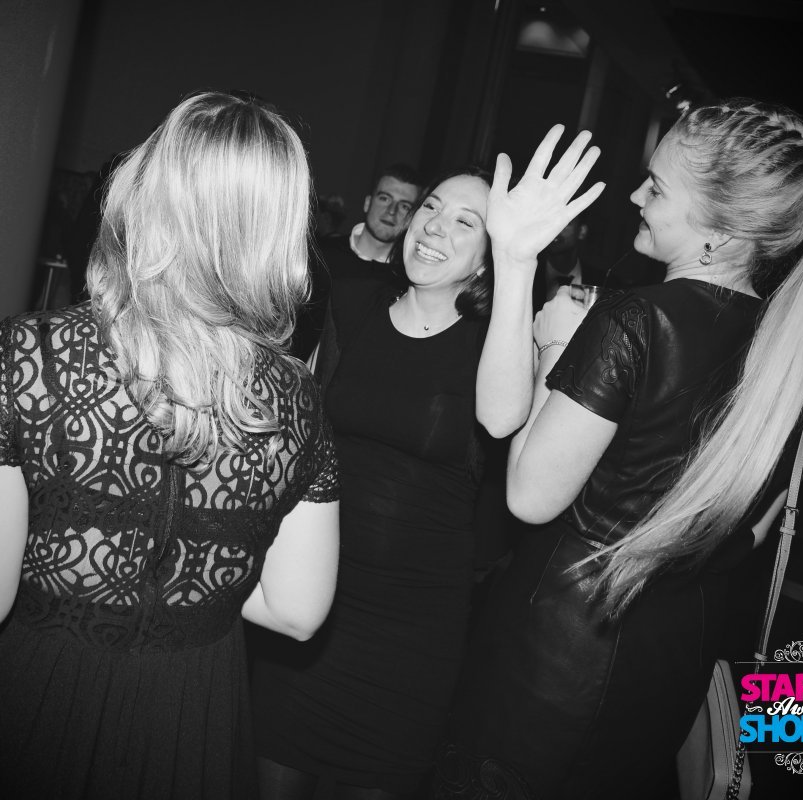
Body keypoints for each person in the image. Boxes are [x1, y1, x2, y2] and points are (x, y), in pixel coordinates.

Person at [0, 90, 341, 800]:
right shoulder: (300, 402)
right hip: (185, 725)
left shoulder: (28, 356)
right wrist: (191, 576)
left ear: (145, 192)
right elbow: (297, 612)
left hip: (18, 715)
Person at [434, 99, 803, 799]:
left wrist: (555, 347)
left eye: (656, 187)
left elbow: (530, 496)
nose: (635, 196)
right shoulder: (801, 365)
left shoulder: (638, 319)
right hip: (668, 667)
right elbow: (748, 537)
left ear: (721, 231)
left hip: (556, 662)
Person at [250, 153, 600, 798]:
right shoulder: (351, 303)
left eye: (466, 222)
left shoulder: (494, 341)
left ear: (486, 258)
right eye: (431, 207)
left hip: (412, 629)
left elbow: (502, 419)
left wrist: (519, 262)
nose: (435, 225)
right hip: (310, 595)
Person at [289, 164, 423, 361]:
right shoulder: (319, 255)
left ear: (412, 218)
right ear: (368, 203)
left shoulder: (408, 281)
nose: (391, 211)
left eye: (404, 206)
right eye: (384, 198)